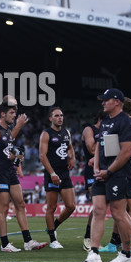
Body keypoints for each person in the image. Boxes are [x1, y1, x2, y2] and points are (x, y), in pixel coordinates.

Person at [83, 88, 131, 262]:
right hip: (103, 173)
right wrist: (97, 168)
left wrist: (109, 171)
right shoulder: (105, 121)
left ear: (117, 102)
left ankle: (127, 254)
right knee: (98, 210)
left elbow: (126, 152)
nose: (103, 103)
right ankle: (94, 252)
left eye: (106, 100)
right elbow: (99, 145)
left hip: (119, 174)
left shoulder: (126, 122)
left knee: (118, 214)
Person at [0, 96, 47, 252]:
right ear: (3, 114)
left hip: (9, 171)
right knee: (3, 209)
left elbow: (6, 149)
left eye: (15, 113)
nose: (14, 115)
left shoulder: (7, 131)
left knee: (20, 203)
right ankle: (4, 244)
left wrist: (14, 157)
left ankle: (28, 241)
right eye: (12, 113)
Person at [98, 102, 131, 254]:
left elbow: (122, 151)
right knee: (121, 209)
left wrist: (108, 169)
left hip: (122, 169)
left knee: (126, 208)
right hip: (127, 169)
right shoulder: (125, 126)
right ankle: (118, 241)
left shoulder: (125, 125)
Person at [38, 107, 76, 249]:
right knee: (51, 207)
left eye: (61, 115)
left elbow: (70, 147)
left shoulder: (66, 133)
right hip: (52, 174)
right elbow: (42, 156)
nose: (60, 118)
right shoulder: (46, 134)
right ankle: (53, 239)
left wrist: (72, 157)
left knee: (71, 206)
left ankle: (54, 225)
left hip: (65, 174)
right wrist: (52, 173)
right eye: (56, 115)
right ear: (50, 118)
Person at [81, 110, 105, 251]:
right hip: (92, 172)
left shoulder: (108, 131)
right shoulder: (89, 129)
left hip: (106, 171)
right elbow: (91, 149)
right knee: (97, 206)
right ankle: (87, 238)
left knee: (102, 207)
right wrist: (105, 141)